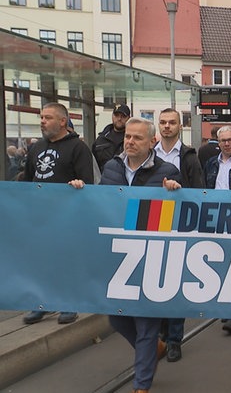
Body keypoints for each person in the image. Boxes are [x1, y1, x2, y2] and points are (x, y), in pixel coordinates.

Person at [70, 116, 182, 393]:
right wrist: (81, 192)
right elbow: (102, 204)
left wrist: (176, 193)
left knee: (145, 322)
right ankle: (153, 348)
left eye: (137, 138)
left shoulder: (168, 171)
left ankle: (141, 384)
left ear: (152, 142)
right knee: (117, 318)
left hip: (150, 257)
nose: (130, 142)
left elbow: (178, 216)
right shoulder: (112, 166)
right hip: (118, 257)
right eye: (128, 137)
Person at [22, 102, 94, 325]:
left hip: (67, 217)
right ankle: (41, 303)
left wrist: (78, 185)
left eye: (48, 117)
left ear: (63, 121)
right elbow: (27, 180)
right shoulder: (35, 148)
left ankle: (68, 302)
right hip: (41, 217)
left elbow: (87, 183)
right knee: (41, 261)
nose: (43, 121)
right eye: (42, 117)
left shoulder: (78, 148)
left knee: (66, 261)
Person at [154, 108, 205, 362]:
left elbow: (198, 192)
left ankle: (174, 339)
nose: (166, 126)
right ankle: (160, 335)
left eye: (171, 122)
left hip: (180, 225)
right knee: (155, 282)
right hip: (153, 223)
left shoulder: (189, 157)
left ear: (179, 126)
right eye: (162, 122)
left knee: (174, 284)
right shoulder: (149, 155)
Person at [203, 125, 231, 335]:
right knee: (221, 264)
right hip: (216, 221)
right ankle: (227, 304)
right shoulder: (211, 164)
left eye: (230, 140)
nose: (227, 144)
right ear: (218, 142)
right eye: (223, 141)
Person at [93, 104, 130, 172]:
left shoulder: (132, 140)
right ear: (112, 116)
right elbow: (94, 165)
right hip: (104, 180)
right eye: (116, 115)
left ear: (129, 118)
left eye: (123, 116)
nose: (119, 119)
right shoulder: (101, 140)